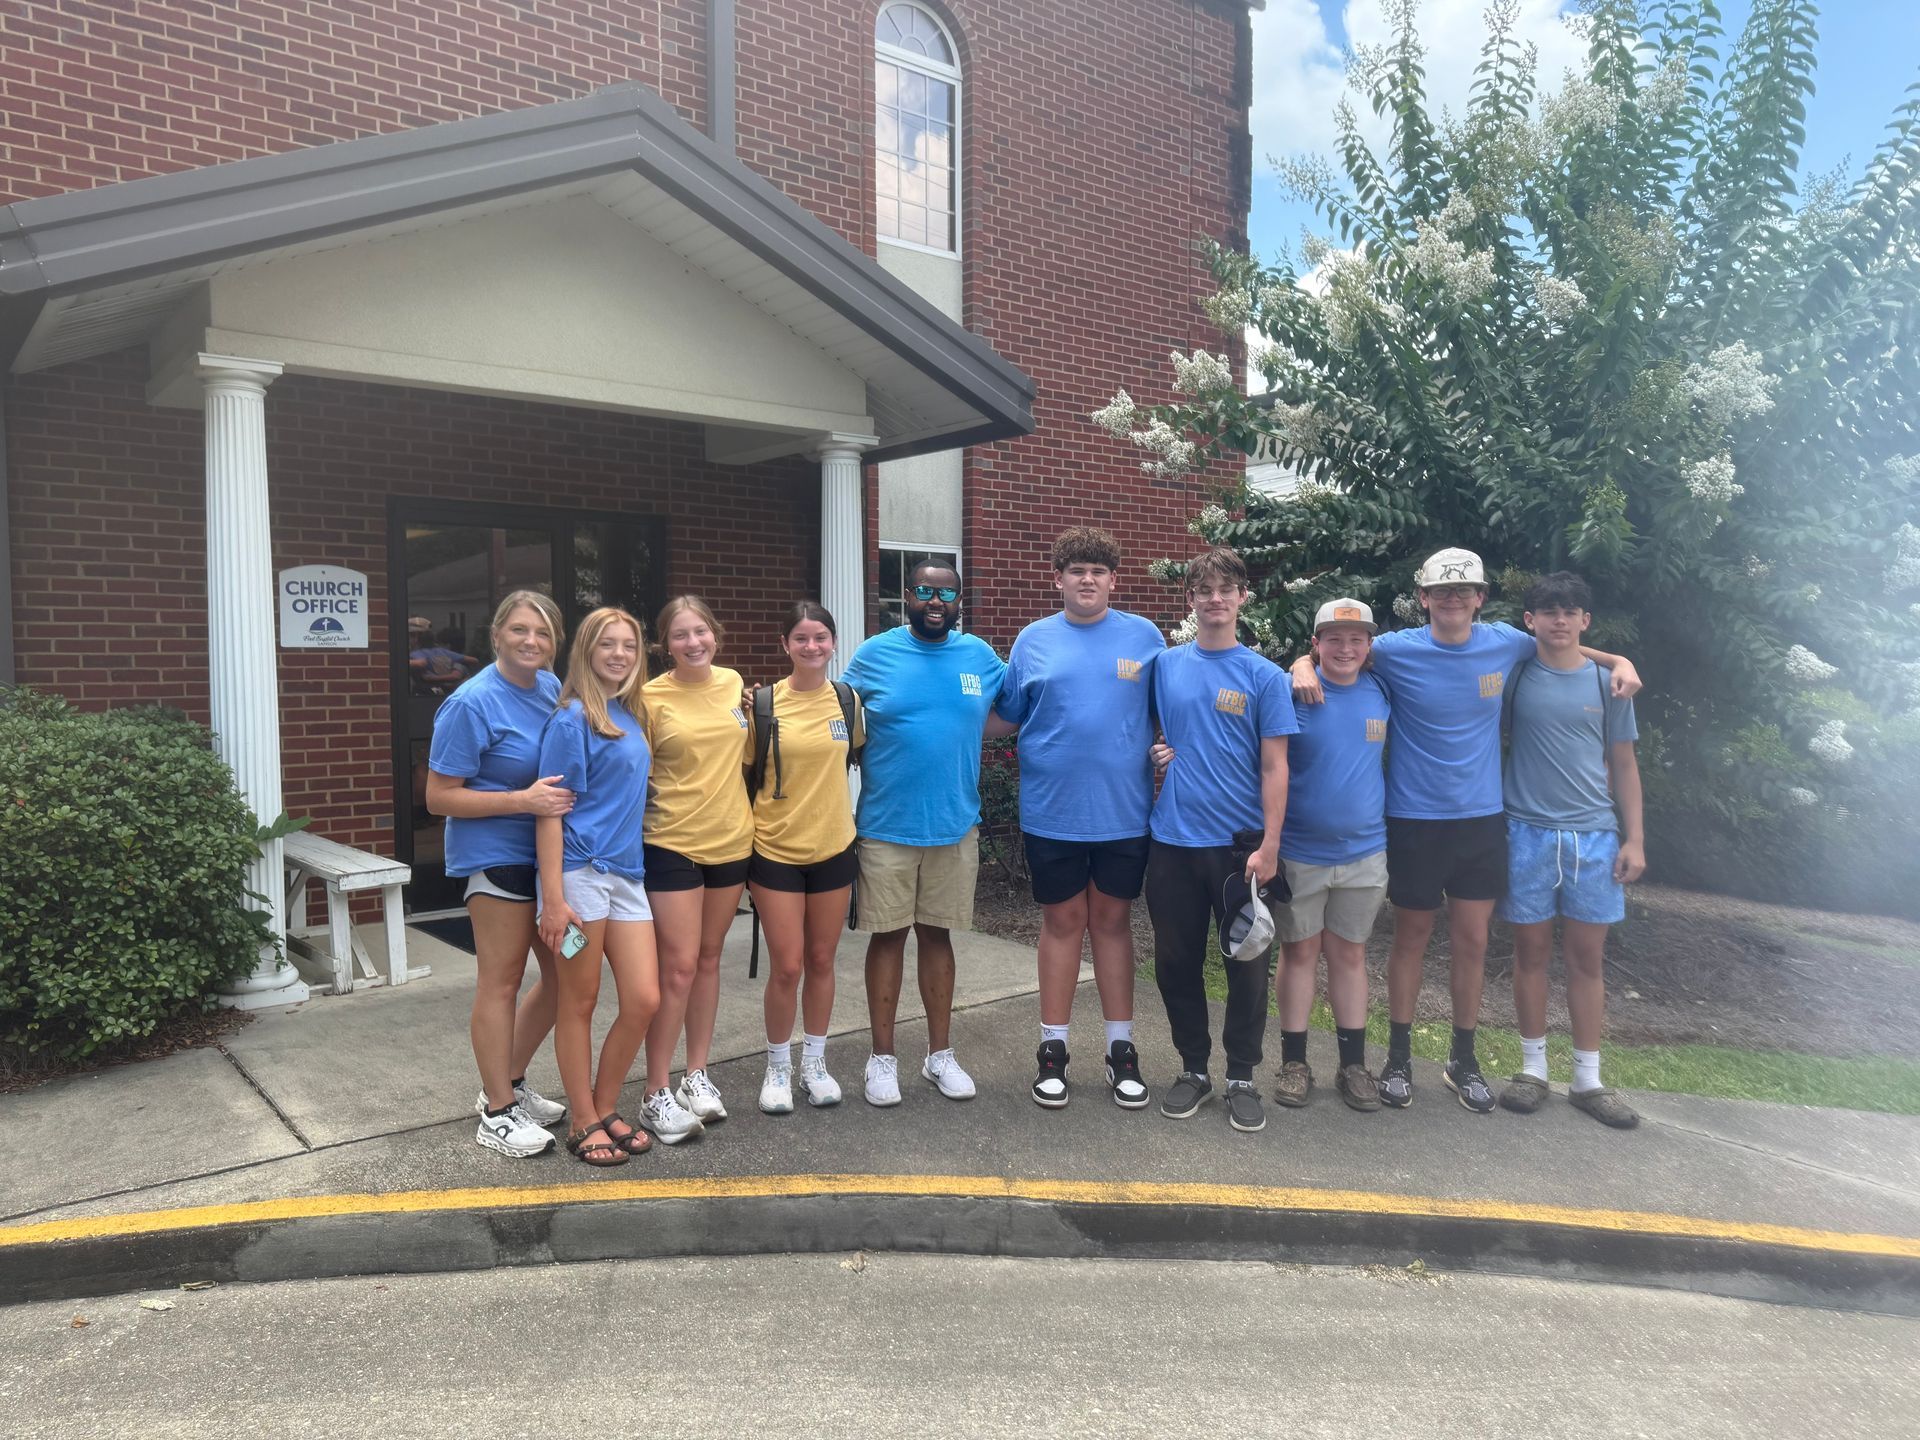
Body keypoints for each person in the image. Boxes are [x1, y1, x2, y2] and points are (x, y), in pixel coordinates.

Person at [1290, 547, 1641, 1114]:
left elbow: (1563, 642)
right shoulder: (1398, 650)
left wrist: (1618, 659)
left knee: (1473, 942)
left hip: (1481, 819)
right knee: (1410, 939)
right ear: (1423, 598)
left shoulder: (1505, 641)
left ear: (1480, 598)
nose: (1453, 600)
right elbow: (1339, 650)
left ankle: (1462, 1059)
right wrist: (1299, 666)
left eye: (1465, 591)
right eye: (1441, 592)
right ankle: (1399, 1058)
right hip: (1413, 819)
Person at [993, 526, 1164, 1109]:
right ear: (1058, 579)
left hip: (1123, 813)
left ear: (1113, 580)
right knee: (1062, 925)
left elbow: (1177, 707)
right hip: (1052, 812)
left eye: (1098, 571)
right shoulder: (1033, 641)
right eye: (1076, 571)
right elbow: (1002, 716)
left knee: (1112, 925)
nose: (1086, 580)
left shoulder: (1144, 637)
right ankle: (1053, 1052)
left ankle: (1121, 1052)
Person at [841, 559, 1008, 1107]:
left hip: (954, 826)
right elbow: (833, 716)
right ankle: (882, 1059)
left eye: (945, 593)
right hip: (887, 826)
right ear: (904, 596)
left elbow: (1016, 711)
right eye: (922, 591)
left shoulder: (979, 658)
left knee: (939, 937)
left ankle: (940, 1056)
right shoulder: (873, 655)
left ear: (959, 601)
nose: (934, 601)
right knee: (888, 937)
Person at [1147, 546, 1295, 1135]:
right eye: (1204, 589)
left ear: (1242, 599)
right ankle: (1192, 1069)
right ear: (1190, 600)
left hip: (1242, 846)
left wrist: (1272, 846)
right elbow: (1159, 729)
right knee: (1175, 962)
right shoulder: (1165, 665)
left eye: (1225, 589)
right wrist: (1163, 749)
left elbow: (1276, 767)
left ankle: (1240, 1075)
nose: (1215, 598)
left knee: (1247, 964)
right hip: (1173, 840)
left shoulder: (1265, 676)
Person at [424, 589, 571, 1159]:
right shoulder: (470, 703)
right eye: (519, 630)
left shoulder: (552, 690)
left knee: (565, 978)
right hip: (496, 859)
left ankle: (507, 1082)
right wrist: (521, 801)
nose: (530, 641)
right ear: (496, 635)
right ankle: (497, 1111)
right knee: (501, 981)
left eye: (542, 633)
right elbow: (439, 797)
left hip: (550, 861)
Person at [1496, 572, 1646, 1128]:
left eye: (1571, 611)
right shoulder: (1515, 676)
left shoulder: (1611, 685)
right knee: (1529, 955)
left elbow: (1625, 766)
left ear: (1585, 620)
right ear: (1530, 621)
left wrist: (1634, 838)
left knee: (1587, 960)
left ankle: (1588, 1079)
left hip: (1594, 838)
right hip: (1526, 832)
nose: (1560, 620)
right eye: (1548, 611)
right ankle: (1532, 1070)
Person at [535, 606, 661, 1166]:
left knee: (644, 999)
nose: (619, 654)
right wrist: (554, 898)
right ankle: (583, 1119)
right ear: (586, 651)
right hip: (580, 877)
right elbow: (549, 812)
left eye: (629, 646)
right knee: (578, 1002)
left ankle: (606, 1104)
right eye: (607, 644)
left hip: (627, 877)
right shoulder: (570, 719)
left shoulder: (630, 713)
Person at [638, 595, 753, 1144]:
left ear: (715, 634)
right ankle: (654, 1090)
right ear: (665, 644)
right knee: (677, 968)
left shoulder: (735, 685)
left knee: (709, 960)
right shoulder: (648, 697)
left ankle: (696, 1075)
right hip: (671, 842)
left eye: (700, 632)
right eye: (681, 635)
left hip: (732, 840)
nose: (693, 643)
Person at [1273, 599, 1391, 1113]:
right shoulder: (1290, 689)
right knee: (1299, 953)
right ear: (1315, 643)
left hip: (1366, 850)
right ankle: (1295, 1062)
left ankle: (1353, 1065)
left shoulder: (1385, 689)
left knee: (1350, 955)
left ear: (1369, 646)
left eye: (1356, 639)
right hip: (1301, 850)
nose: (1346, 648)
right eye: (1334, 639)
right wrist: (1295, 668)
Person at [746, 602, 864, 1114]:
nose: (812, 647)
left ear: (833, 643)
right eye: (801, 638)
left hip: (834, 847)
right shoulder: (763, 704)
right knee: (787, 966)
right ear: (785, 645)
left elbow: (860, 755)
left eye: (821, 637)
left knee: (821, 960)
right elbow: (742, 770)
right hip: (774, 850)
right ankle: (777, 1066)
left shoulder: (847, 700)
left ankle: (814, 1063)